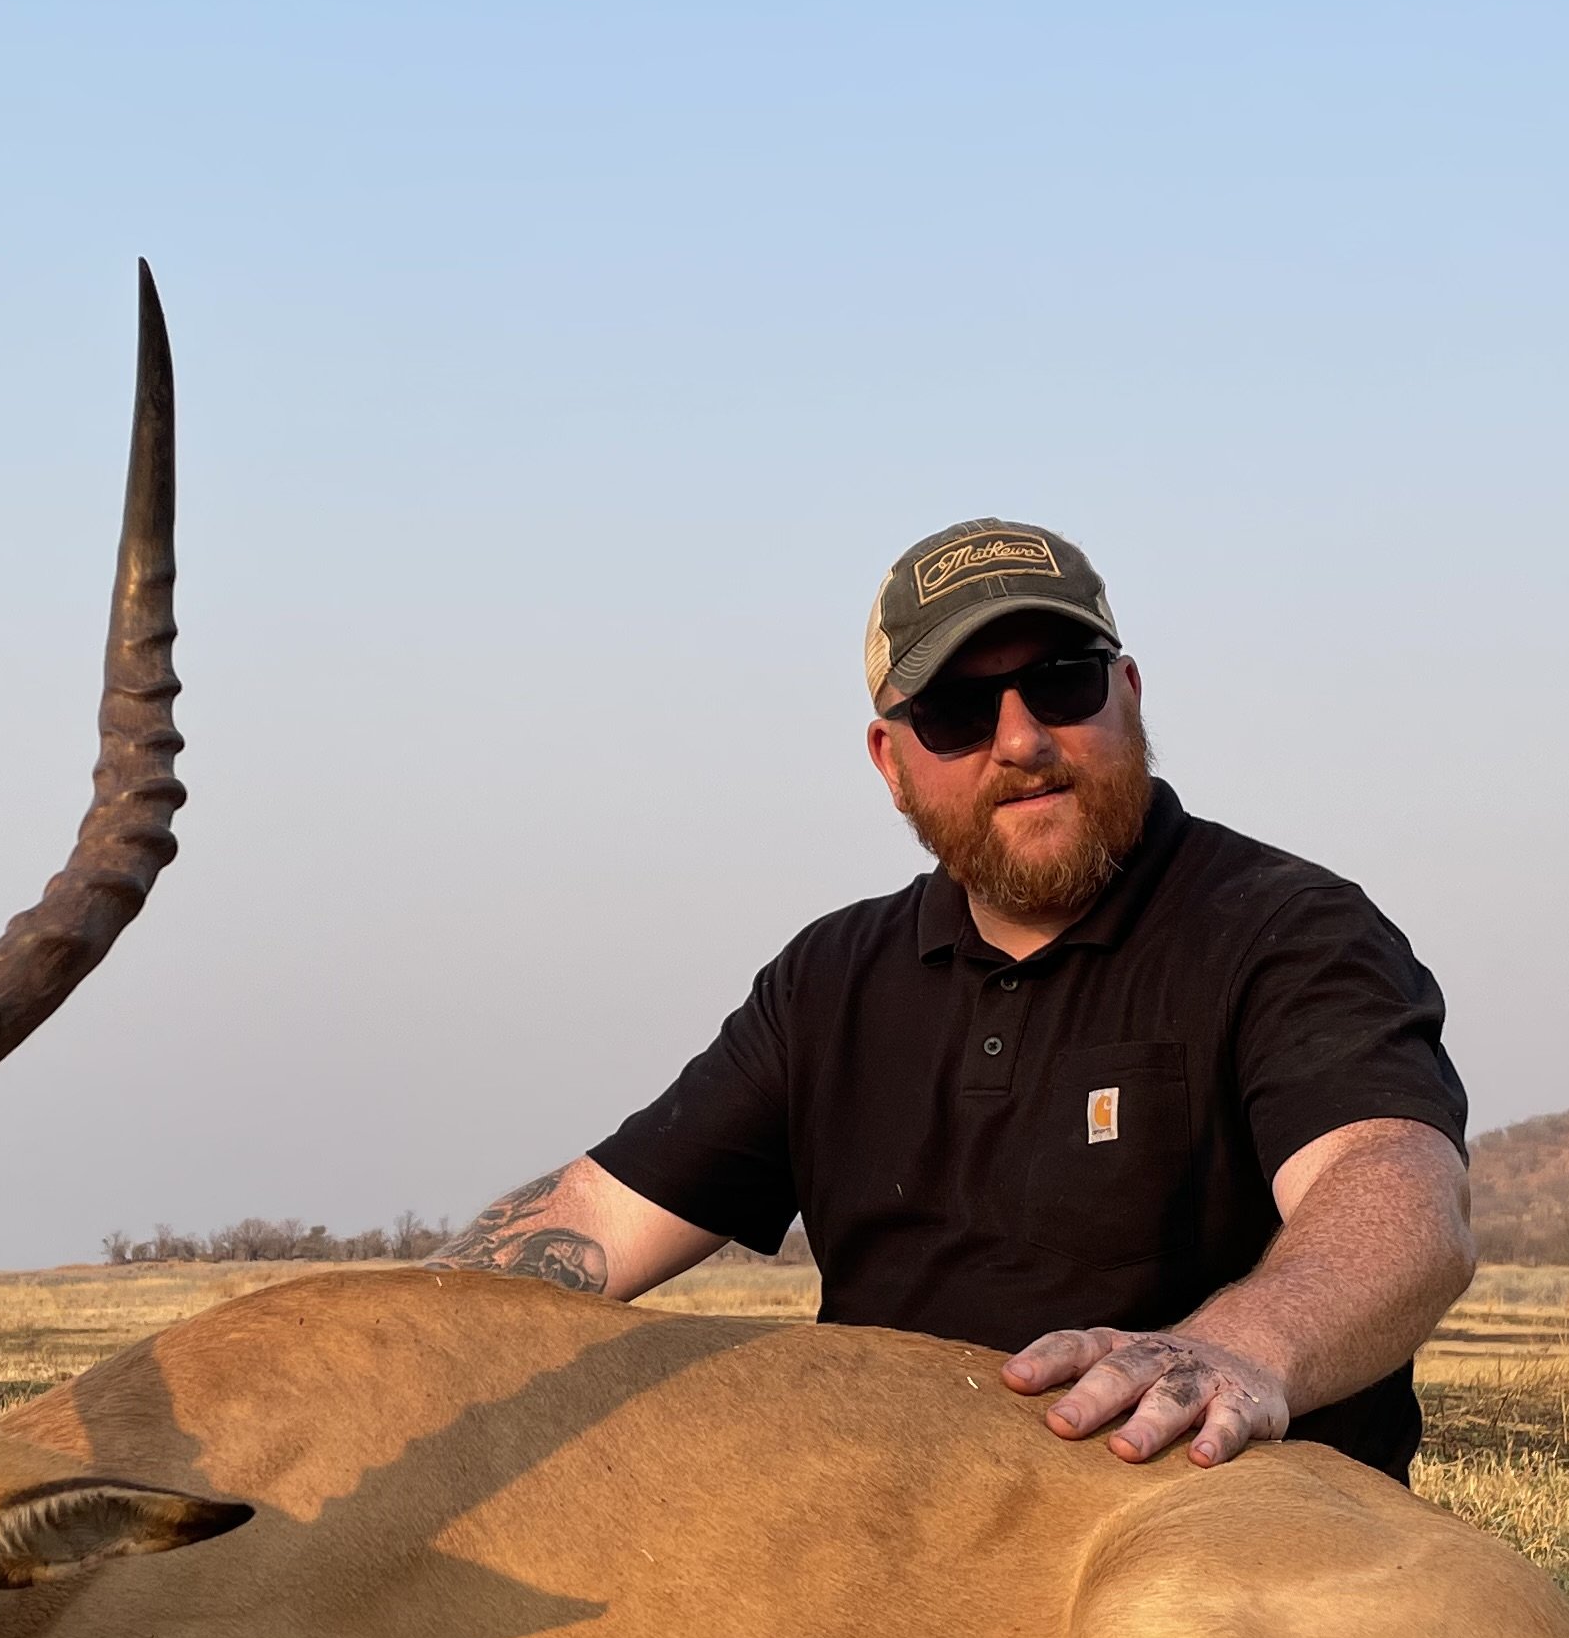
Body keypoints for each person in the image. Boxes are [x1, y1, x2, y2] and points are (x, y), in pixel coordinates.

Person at [432, 516, 1474, 1479]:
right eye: (957, 713)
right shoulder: (829, 982)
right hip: (902, 1559)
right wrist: (344, 1347)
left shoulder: (1282, 927)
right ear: (891, 761)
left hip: (1201, 1533)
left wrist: (1238, 1352)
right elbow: (590, 1225)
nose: (1021, 741)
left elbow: (1396, 1194)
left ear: (1132, 696)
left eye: (1063, 683)